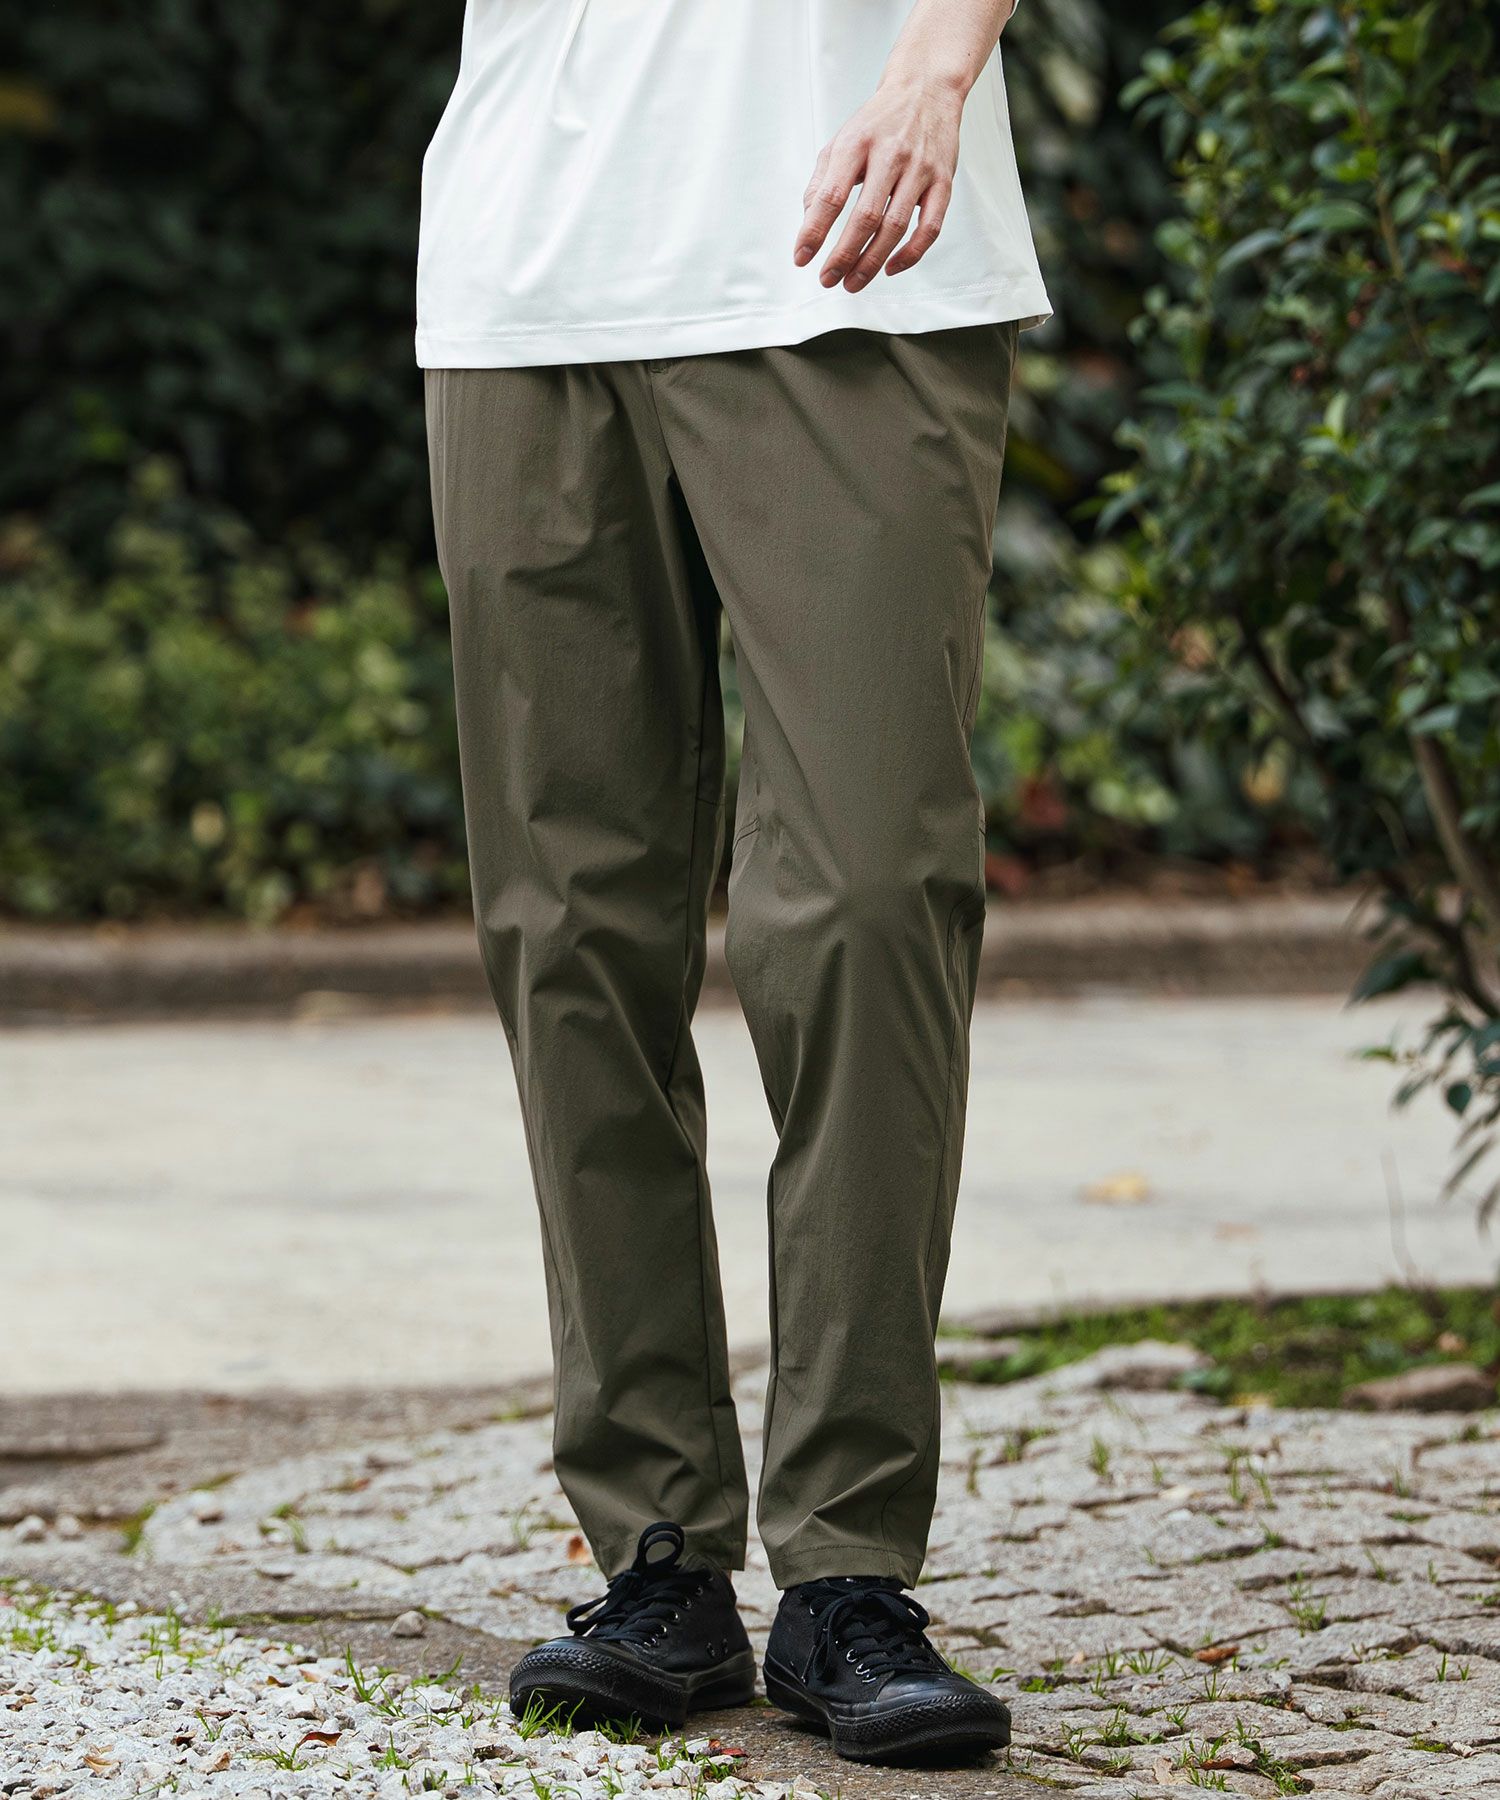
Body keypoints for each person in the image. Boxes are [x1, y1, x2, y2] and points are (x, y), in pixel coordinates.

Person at [418, 0, 1049, 1765]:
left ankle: (847, 1567)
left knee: (865, 899)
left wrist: (937, 65)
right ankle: (657, 1554)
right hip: (532, 277)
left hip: (853, 251)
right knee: (567, 927)